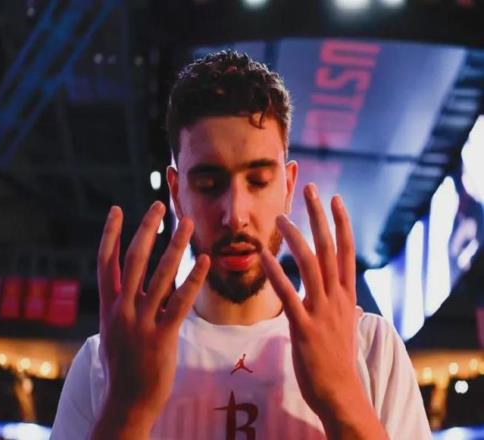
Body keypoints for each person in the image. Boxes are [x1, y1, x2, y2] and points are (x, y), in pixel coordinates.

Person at [51, 50, 431, 439]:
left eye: (258, 181)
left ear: (288, 186)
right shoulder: (105, 363)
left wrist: (343, 398)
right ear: (177, 193)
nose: (235, 215)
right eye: (208, 184)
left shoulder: (369, 347)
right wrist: (126, 410)